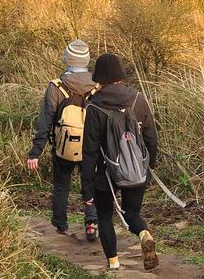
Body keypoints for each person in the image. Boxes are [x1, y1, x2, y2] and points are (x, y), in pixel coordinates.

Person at [81, 53, 159, 272]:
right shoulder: (138, 99)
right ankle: (144, 234)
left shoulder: (94, 107)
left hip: (105, 172)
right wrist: (149, 165)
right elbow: (151, 137)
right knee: (132, 213)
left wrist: (87, 188)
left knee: (104, 215)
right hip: (136, 169)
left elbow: (89, 152)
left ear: (99, 77)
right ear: (120, 74)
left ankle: (114, 265)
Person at [26, 39, 99, 242]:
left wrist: (35, 153)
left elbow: (45, 121)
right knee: (90, 185)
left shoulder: (55, 87)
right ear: (87, 60)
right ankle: (92, 223)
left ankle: (61, 226)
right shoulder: (97, 86)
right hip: (90, 148)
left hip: (62, 147)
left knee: (61, 186)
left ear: (67, 59)